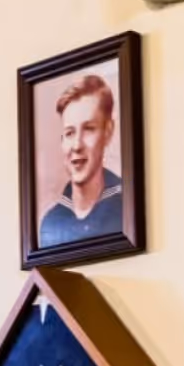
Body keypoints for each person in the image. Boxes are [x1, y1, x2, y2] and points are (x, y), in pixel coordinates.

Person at [38, 73, 125, 247]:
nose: (77, 145)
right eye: (70, 133)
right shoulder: (50, 223)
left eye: (89, 129)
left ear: (108, 132)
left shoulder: (127, 207)